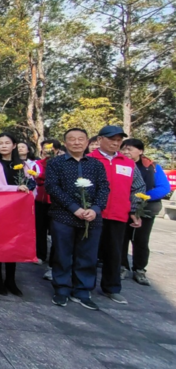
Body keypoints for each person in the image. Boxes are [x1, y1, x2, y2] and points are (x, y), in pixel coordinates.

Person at [45, 128, 110, 310]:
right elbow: (52, 187)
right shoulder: (55, 163)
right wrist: (75, 208)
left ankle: (82, 291)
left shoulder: (96, 165)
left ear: (87, 142)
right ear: (65, 143)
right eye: (72, 139)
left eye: (80, 139)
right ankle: (62, 289)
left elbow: (104, 188)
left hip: (91, 218)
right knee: (62, 254)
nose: (76, 142)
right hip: (63, 216)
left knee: (88, 256)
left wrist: (95, 209)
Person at [88, 126, 146, 304]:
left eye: (119, 140)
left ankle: (112, 288)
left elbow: (138, 188)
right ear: (100, 139)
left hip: (118, 215)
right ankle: (84, 287)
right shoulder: (88, 159)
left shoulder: (128, 163)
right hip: (92, 214)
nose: (115, 143)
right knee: (88, 252)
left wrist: (135, 210)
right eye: (111, 139)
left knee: (115, 253)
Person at [0, 133, 36, 296]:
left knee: (14, 244)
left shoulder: (24, 165)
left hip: (17, 210)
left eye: (7, 143)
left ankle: (11, 280)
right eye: (0, 143)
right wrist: (16, 188)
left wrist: (28, 189)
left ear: (14, 145)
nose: (4, 146)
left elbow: (30, 185)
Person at [120, 138, 170, 286]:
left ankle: (140, 269)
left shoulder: (152, 167)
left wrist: (142, 197)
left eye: (130, 149)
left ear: (140, 151)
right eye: (124, 149)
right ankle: (122, 266)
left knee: (141, 239)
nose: (126, 152)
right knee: (121, 238)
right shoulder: (119, 164)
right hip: (123, 206)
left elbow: (164, 188)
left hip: (145, 207)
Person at [36, 139, 62, 278]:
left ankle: (54, 261)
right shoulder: (38, 163)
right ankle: (40, 254)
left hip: (55, 201)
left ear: (57, 150)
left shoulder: (61, 162)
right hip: (40, 200)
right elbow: (34, 178)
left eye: (51, 149)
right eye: (45, 148)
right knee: (40, 228)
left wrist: (41, 177)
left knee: (56, 231)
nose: (47, 151)